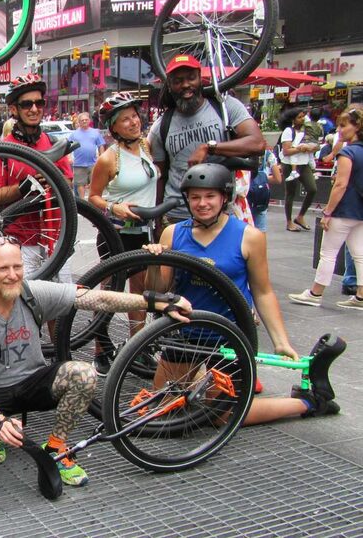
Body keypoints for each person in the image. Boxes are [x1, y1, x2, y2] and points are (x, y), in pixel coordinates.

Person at [0, 236, 191, 483]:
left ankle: (55, 448)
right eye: (3, 269)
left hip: (32, 381)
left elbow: (97, 299)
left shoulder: (32, 293)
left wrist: (156, 302)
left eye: (17, 267)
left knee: (84, 374)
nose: (12, 275)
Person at [144, 163, 340, 423]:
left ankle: (309, 402)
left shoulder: (249, 237)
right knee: (160, 407)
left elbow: (263, 292)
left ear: (224, 197)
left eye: (210, 196)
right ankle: (201, 384)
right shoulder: (173, 233)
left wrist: (281, 341)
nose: (202, 203)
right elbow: (158, 290)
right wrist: (156, 260)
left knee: (220, 416)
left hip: (229, 334)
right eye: (195, 197)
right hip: (186, 331)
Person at [148, 54, 265, 226]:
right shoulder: (161, 126)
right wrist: (157, 221)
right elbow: (160, 177)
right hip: (176, 216)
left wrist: (210, 148)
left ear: (200, 79)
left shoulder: (226, 107)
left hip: (220, 214)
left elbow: (257, 143)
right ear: (170, 85)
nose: (186, 85)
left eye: (191, 78)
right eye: (178, 81)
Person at [88, 93, 159, 372]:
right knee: (110, 291)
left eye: (134, 116)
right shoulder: (108, 159)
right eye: (125, 119)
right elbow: (92, 197)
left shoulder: (147, 147)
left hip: (143, 231)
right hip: (115, 233)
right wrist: (114, 208)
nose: (133, 122)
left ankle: (137, 346)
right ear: (114, 127)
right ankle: (101, 349)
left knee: (139, 292)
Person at [0, 74, 72, 276]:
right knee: (24, 304)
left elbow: (68, 184)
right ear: (13, 109)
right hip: (21, 243)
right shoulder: (2, 150)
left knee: (63, 305)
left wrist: (53, 181)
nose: (34, 109)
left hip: (57, 239)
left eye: (39, 103)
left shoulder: (53, 143)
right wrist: (24, 187)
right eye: (26, 104)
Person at [288, 107, 363, 310]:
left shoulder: (348, 152)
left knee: (328, 253)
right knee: (359, 253)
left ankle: (316, 292)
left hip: (343, 209)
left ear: (356, 127)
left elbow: (341, 185)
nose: (339, 130)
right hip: (359, 210)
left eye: (343, 125)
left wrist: (328, 211)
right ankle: (361, 295)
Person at [278, 107, 319, 232]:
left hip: (304, 163)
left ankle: (300, 216)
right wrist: (301, 148)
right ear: (293, 119)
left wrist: (311, 147)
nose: (302, 119)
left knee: (312, 189)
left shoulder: (307, 130)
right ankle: (289, 222)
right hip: (290, 164)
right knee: (290, 193)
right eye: (299, 117)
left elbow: (316, 145)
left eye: (303, 117)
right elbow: (286, 151)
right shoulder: (288, 131)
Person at [69, 112, 106, 198]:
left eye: (86, 120)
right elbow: (68, 146)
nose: (84, 121)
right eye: (82, 120)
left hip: (93, 163)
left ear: (89, 120)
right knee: (80, 184)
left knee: (94, 183)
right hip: (79, 163)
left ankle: (93, 200)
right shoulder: (74, 134)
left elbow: (101, 145)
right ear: (79, 122)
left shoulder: (95, 132)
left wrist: (102, 157)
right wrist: (69, 157)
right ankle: (82, 202)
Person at [251, 145, 283, 233]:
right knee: (260, 230)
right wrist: (261, 179)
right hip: (259, 197)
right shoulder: (267, 154)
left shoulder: (238, 151)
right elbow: (278, 179)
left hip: (242, 196)